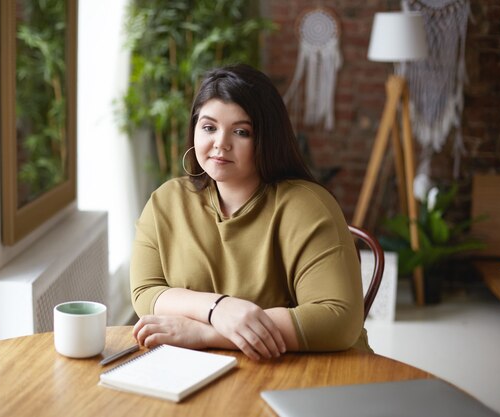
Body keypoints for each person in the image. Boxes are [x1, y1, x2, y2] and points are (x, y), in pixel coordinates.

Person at [130, 64, 371, 360]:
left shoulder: (307, 206)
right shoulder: (166, 201)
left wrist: (209, 335)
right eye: (209, 127)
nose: (221, 143)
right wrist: (218, 308)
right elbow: (145, 292)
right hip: (207, 370)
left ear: (266, 139)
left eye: (241, 132)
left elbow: (338, 320)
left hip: (309, 371)